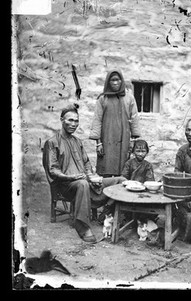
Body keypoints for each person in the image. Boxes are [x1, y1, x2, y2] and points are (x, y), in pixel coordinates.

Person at [42, 104, 125, 243]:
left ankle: (108, 212)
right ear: (62, 120)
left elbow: (86, 163)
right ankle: (82, 226)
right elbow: (52, 170)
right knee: (82, 184)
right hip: (66, 185)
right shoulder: (51, 142)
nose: (74, 124)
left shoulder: (77, 141)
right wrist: (72, 177)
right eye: (70, 120)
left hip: (84, 181)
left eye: (76, 121)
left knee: (120, 180)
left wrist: (92, 176)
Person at [89, 69, 141, 177]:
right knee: (105, 171)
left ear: (122, 81)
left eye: (118, 80)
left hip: (124, 140)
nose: (115, 83)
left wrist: (133, 141)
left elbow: (134, 118)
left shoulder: (129, 98)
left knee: (123, 172)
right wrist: (98, 143)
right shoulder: (103, 99)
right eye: (112, 80)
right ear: (108, 82)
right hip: (106, 140)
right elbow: (97, 120)